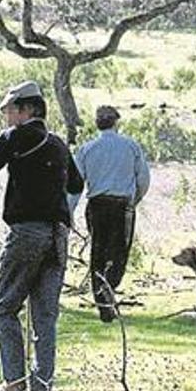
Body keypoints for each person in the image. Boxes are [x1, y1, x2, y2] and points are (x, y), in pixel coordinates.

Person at [0, 80, 83, 391]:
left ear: (26, 110)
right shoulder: (57, 143)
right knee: (44, 316)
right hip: (58, 235)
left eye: (9, 110)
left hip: (26, 232)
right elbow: (77, 183)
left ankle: (13, 381)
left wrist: (6, 139)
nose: (6, 117)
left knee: (5, 308)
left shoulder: (16, 136)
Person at [70, 105, 151, 323]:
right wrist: (135, 200)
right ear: (116, 122)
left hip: (96, 205)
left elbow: (75, 185)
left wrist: (68, 212)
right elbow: (143, 179)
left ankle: (103, 300)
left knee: (98, 251)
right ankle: (109, 290)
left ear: (98, 123)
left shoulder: (87, 149)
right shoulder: (130, 146)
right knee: (119, 252)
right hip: (121, 205)